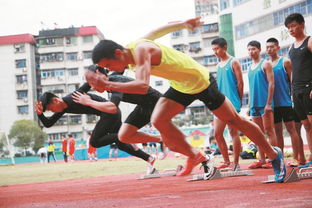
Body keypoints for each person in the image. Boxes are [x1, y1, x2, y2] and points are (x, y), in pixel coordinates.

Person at [86, 17, 286, 181]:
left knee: (235, 120)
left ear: (118, 53)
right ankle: (193, 154)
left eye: (108, 65)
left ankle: (273, 153)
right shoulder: (132, 50)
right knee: (158, 120)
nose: (109, 70)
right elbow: (157, 29)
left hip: (200, 81)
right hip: (181, 86)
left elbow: (142, 86)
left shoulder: (140, 51)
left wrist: (108, 85)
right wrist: (183, 24)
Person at [34, 82, 156, 172]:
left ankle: (124, 135)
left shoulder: (74, 96)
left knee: (95, 141)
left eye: (50, 109)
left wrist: (99, 71)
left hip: (109, 111)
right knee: (121, 144)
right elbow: (48, 123)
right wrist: (40, 115)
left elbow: (88, 83)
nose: (52, 111)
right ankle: (149, 158)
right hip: (111, 113)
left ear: (55, 100)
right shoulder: (63, 108)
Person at [266, 37, 306, 166]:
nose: (269, 49)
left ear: (277, 47)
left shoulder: (285, 62)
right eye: (267, 47)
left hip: (287, 102)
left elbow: (293, 80)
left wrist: (293, 98)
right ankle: (280, 158)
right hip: (274, 104)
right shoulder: (266, 65)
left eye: (272, 46)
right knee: (277, 132)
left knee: (291, 129)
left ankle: (296, 158)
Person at [285, 13, 312, 167]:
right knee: (306, 126)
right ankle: (310, 158)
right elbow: (293, 70)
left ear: (302, 24)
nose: (291, 29)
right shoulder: (291, 47)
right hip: (297, 90)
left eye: (293, 26)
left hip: (309, 88)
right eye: (289, 28)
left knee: (311, 124)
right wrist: (292, 89)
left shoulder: (309, 41)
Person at [211, 37, 243, 170]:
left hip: (232, 103)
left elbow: (240, 83)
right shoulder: (218, 65)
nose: (215, 52)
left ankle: (236, 163)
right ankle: (226, 161)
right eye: (213, 49)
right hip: (220, 103)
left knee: (233, 132)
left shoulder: (233, 62)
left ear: (225, 48)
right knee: (217, 134)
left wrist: (239, 102)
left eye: (217, 49)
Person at [246, 40, 278, 169]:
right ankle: (262, 159)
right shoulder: (249, 67)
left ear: (259, 50)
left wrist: (269, 103)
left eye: (253, 49)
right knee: (258, 133)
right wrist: (249, 105)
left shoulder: (265, 64)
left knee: (270, 131)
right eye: (249, 49)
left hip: (265, 104)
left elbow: (271, 84)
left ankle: (274, 158)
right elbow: (251, 87)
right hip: (254, 104)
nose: (251, 52)